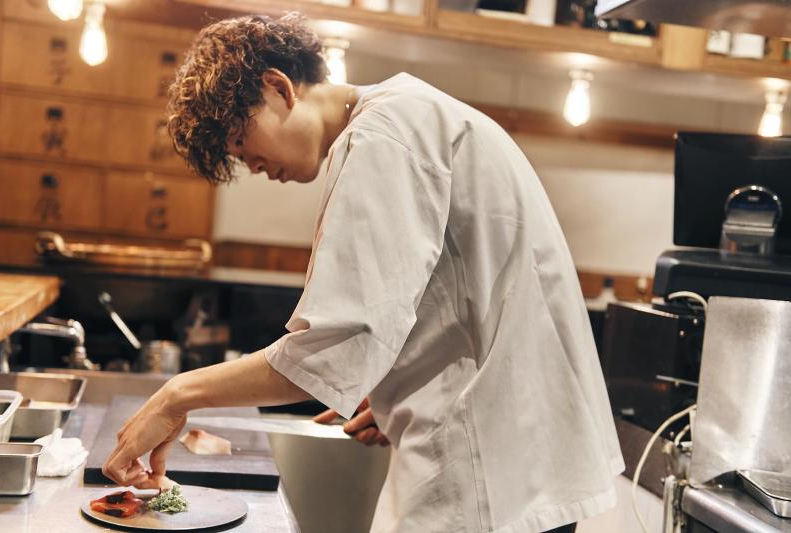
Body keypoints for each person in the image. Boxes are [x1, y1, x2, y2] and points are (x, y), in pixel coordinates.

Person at [103, 13, 624, 533]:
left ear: (278, 87)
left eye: (243, 140)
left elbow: (329, 345)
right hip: (520, 451)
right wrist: (401, 381)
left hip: (488, 471)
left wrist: (177, 394)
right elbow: (452, 291)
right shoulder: (411, 115)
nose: (253, 166)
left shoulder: (382, 137)